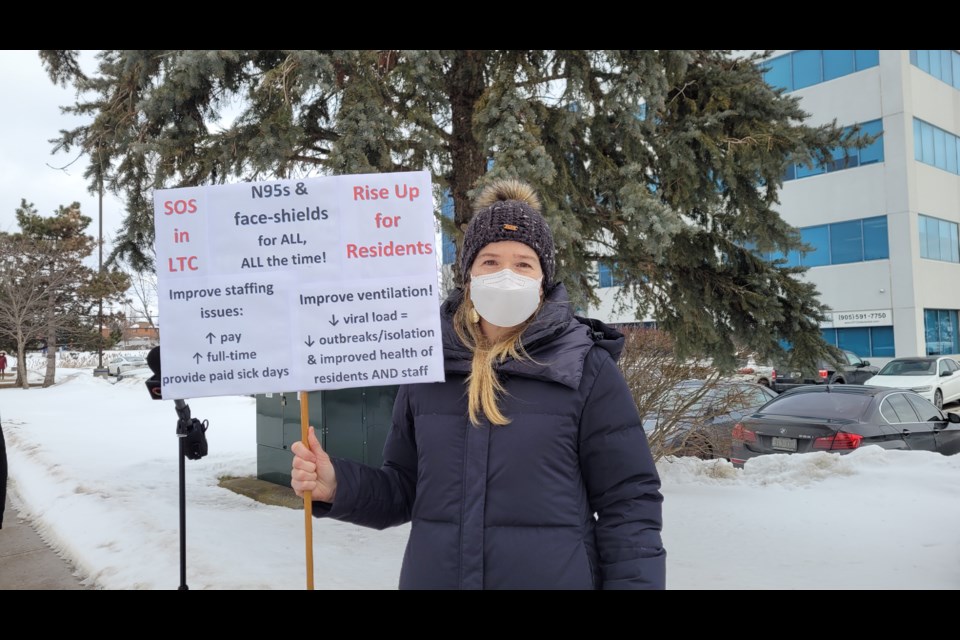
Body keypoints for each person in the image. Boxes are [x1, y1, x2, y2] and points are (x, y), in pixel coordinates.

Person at [292, 178, 666, 589]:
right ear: (467, 275)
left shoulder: (585, 368)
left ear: (543, 282)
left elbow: (628, 505)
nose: (507, 274)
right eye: (490, 261)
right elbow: (406, 488)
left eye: (523, 263)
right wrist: (337, 486)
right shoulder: (427, 366)